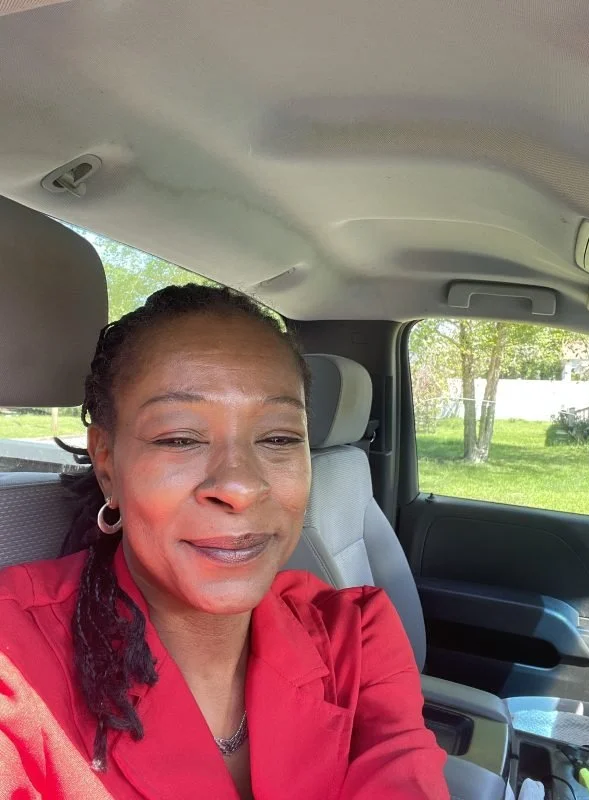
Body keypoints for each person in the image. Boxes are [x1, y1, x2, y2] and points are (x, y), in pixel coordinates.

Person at [0, 284, 449, 799]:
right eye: (180, 439)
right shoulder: (13, 659)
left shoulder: (354, 634)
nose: (240, 486)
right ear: (106, 463)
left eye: (279, 438)